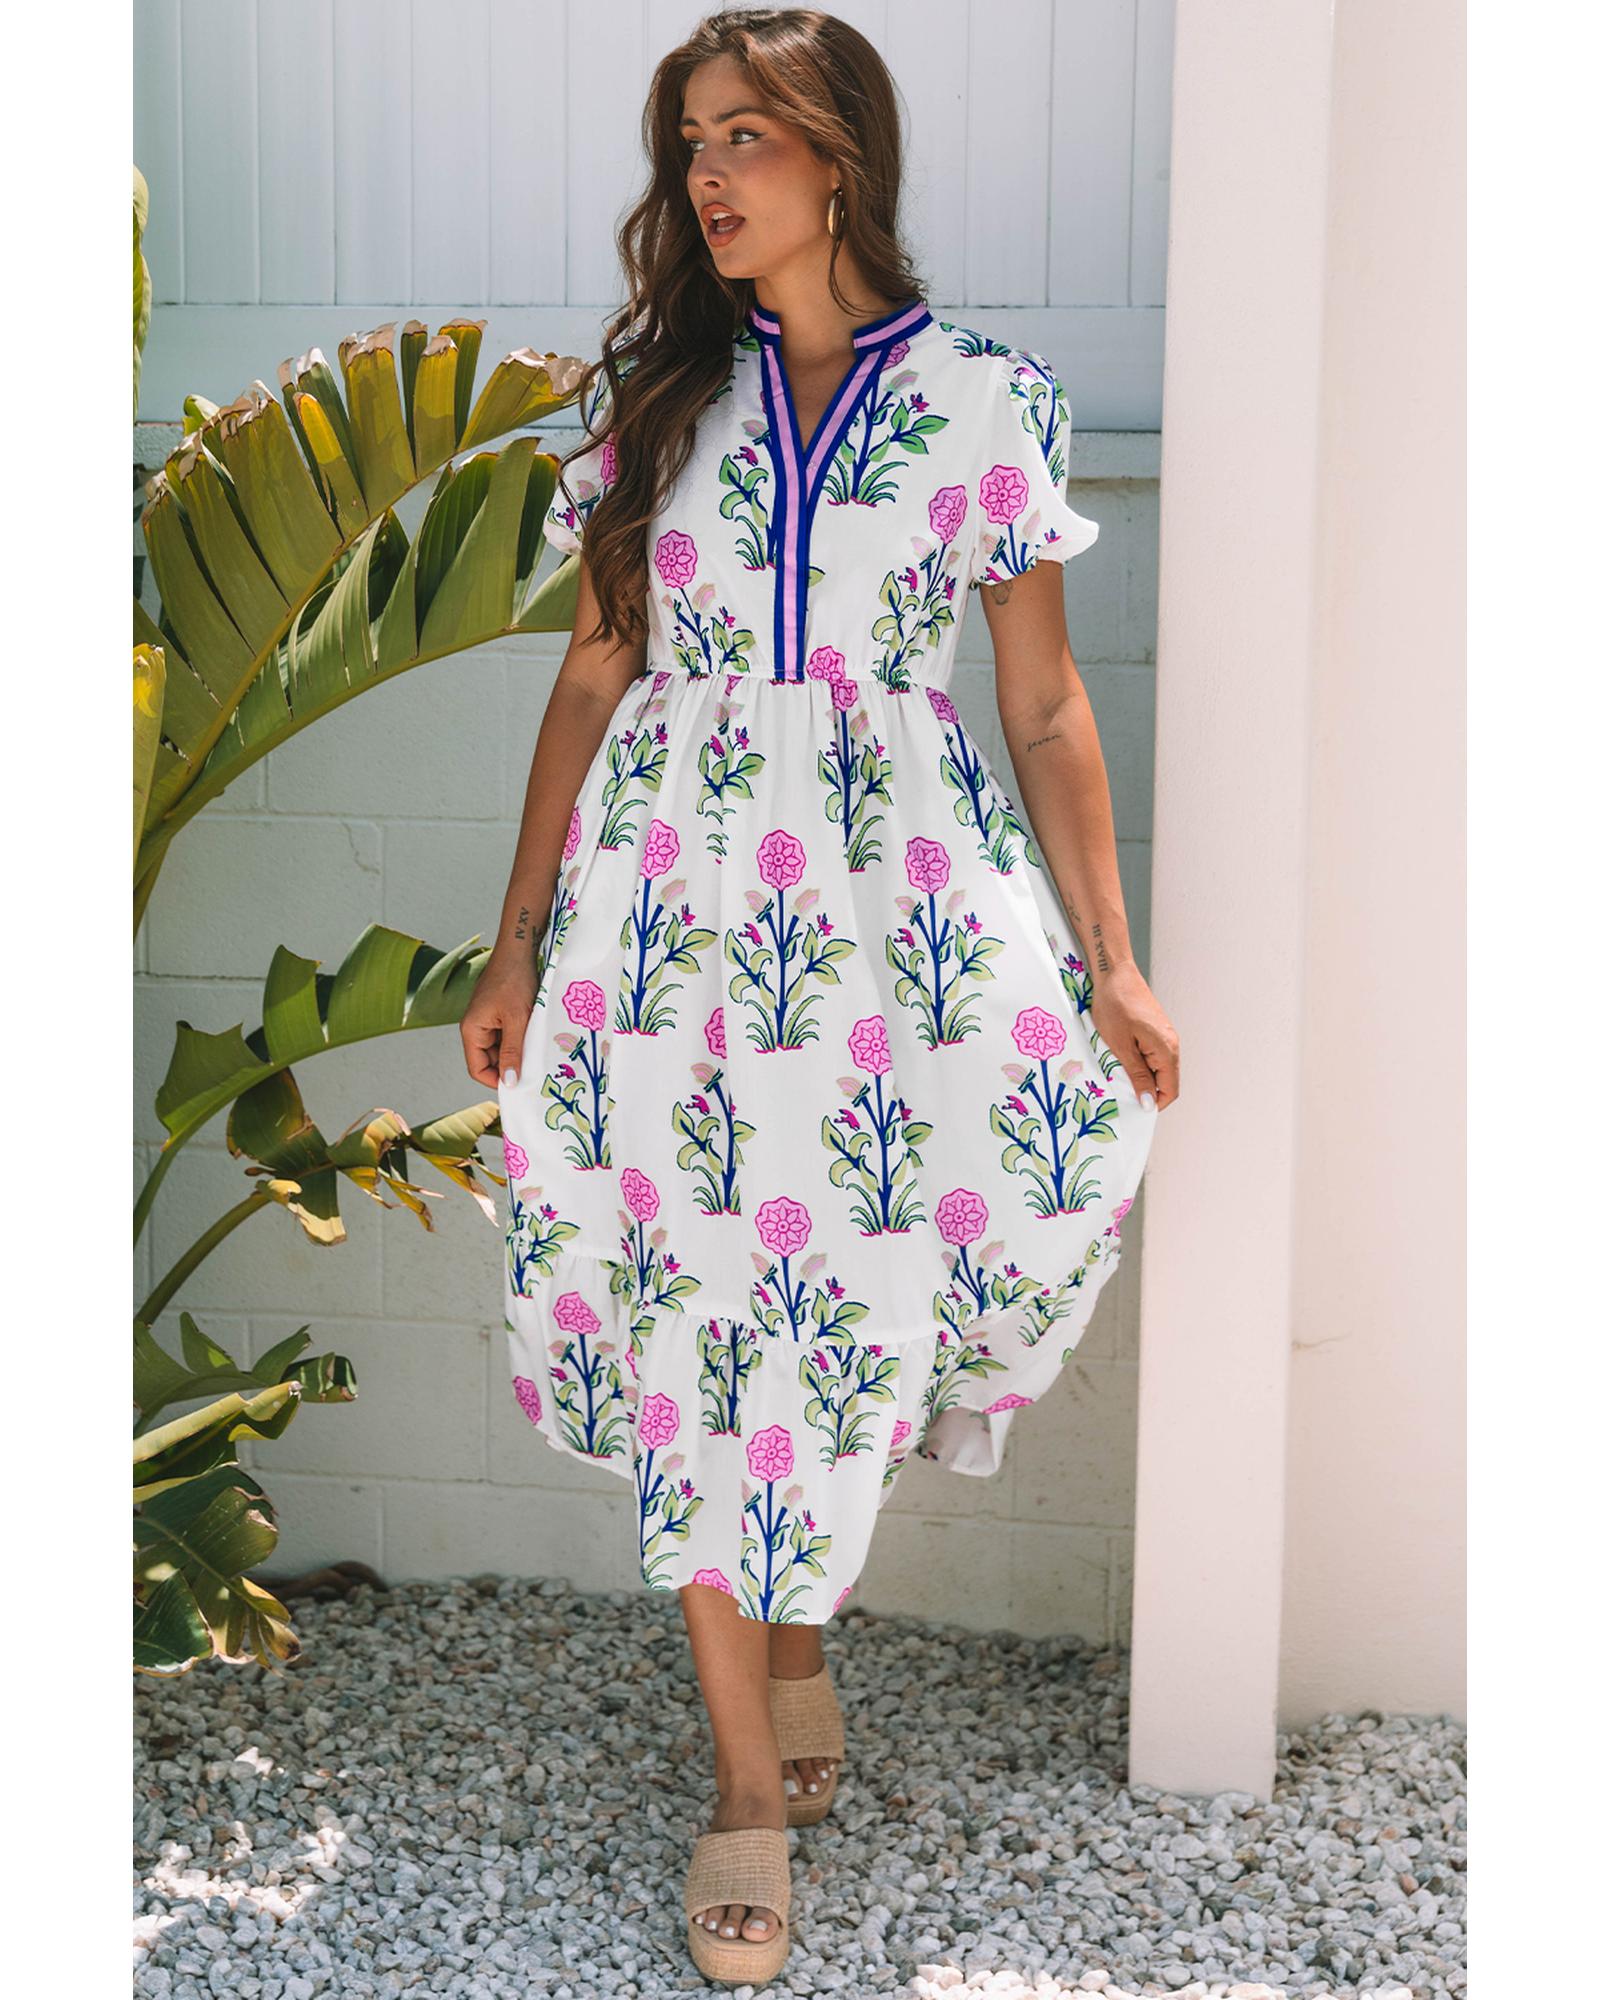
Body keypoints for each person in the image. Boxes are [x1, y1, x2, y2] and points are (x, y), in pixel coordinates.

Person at [460, 7, 1180, 1983]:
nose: (706, 173)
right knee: (700, 1300)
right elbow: (593, 678)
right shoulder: (652, 409)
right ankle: (743, 1786)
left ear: (838, 153)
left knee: (845, 1287)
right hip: (662, 921)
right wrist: (514, 936)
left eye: (745, 136)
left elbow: (1042, 700)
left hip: (889, 922)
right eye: (689, 141)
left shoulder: (986, 400)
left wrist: (1111, 955)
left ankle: (790, 1651)